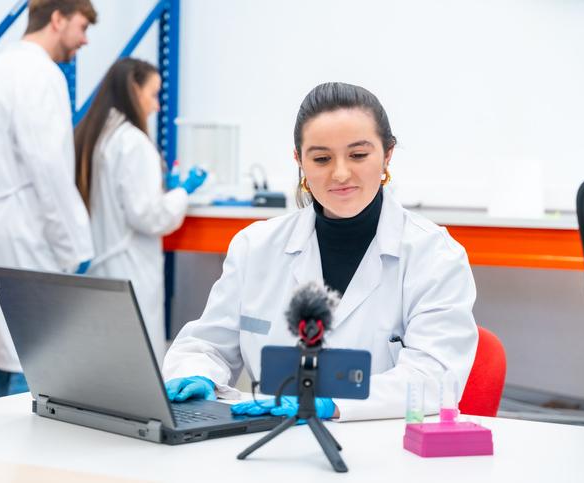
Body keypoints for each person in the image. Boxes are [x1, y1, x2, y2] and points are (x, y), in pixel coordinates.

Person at [162, 82, 478, 421]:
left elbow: (434, 376)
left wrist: (331, 404)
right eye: (322, 158)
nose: (340, 173)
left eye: (358, 155)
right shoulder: (255, 248)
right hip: (269, 445)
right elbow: (208, 345)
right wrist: (196, 373)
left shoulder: (434, 255)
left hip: (384, 450)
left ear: (387, 155)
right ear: (299, 160)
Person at [0, 0, 97, 400]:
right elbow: (48, 167)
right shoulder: (40, 73)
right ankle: (23, 459)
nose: (84, 40)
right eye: (82, 27)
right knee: (33, 356)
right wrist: (75, 247)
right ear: (58, 19)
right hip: (19, 229)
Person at [74, 58, 207, 363]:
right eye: (153, 94)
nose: (157, 105)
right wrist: (182, 193)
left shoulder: (94, 135)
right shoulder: (132, 142)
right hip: (128, 267)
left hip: (100, 268)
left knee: (102, 360)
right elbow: (150, 216)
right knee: (134, 363)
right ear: (134, 90)